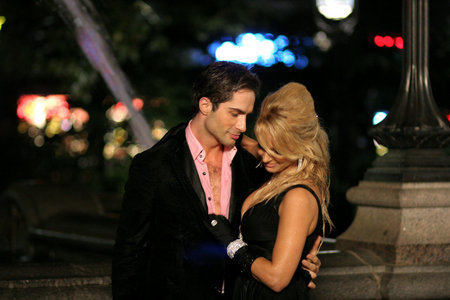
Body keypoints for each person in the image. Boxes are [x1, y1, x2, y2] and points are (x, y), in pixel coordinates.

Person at [111, 63, 321, 299]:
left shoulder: (254, 165)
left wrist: (301, 262)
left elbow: (281, 223)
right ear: (205, 105)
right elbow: (128, 253)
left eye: (246, 116)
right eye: (235, 113)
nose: (242, 126)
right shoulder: (155, 165)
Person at [206, 82, 332, 299]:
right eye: (264, 145)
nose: (265, 156)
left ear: (298, 147)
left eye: (276, 150)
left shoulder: (298, 196)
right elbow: (246, 143)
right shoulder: (280, 166)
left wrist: (231, 244)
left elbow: (277, 279)